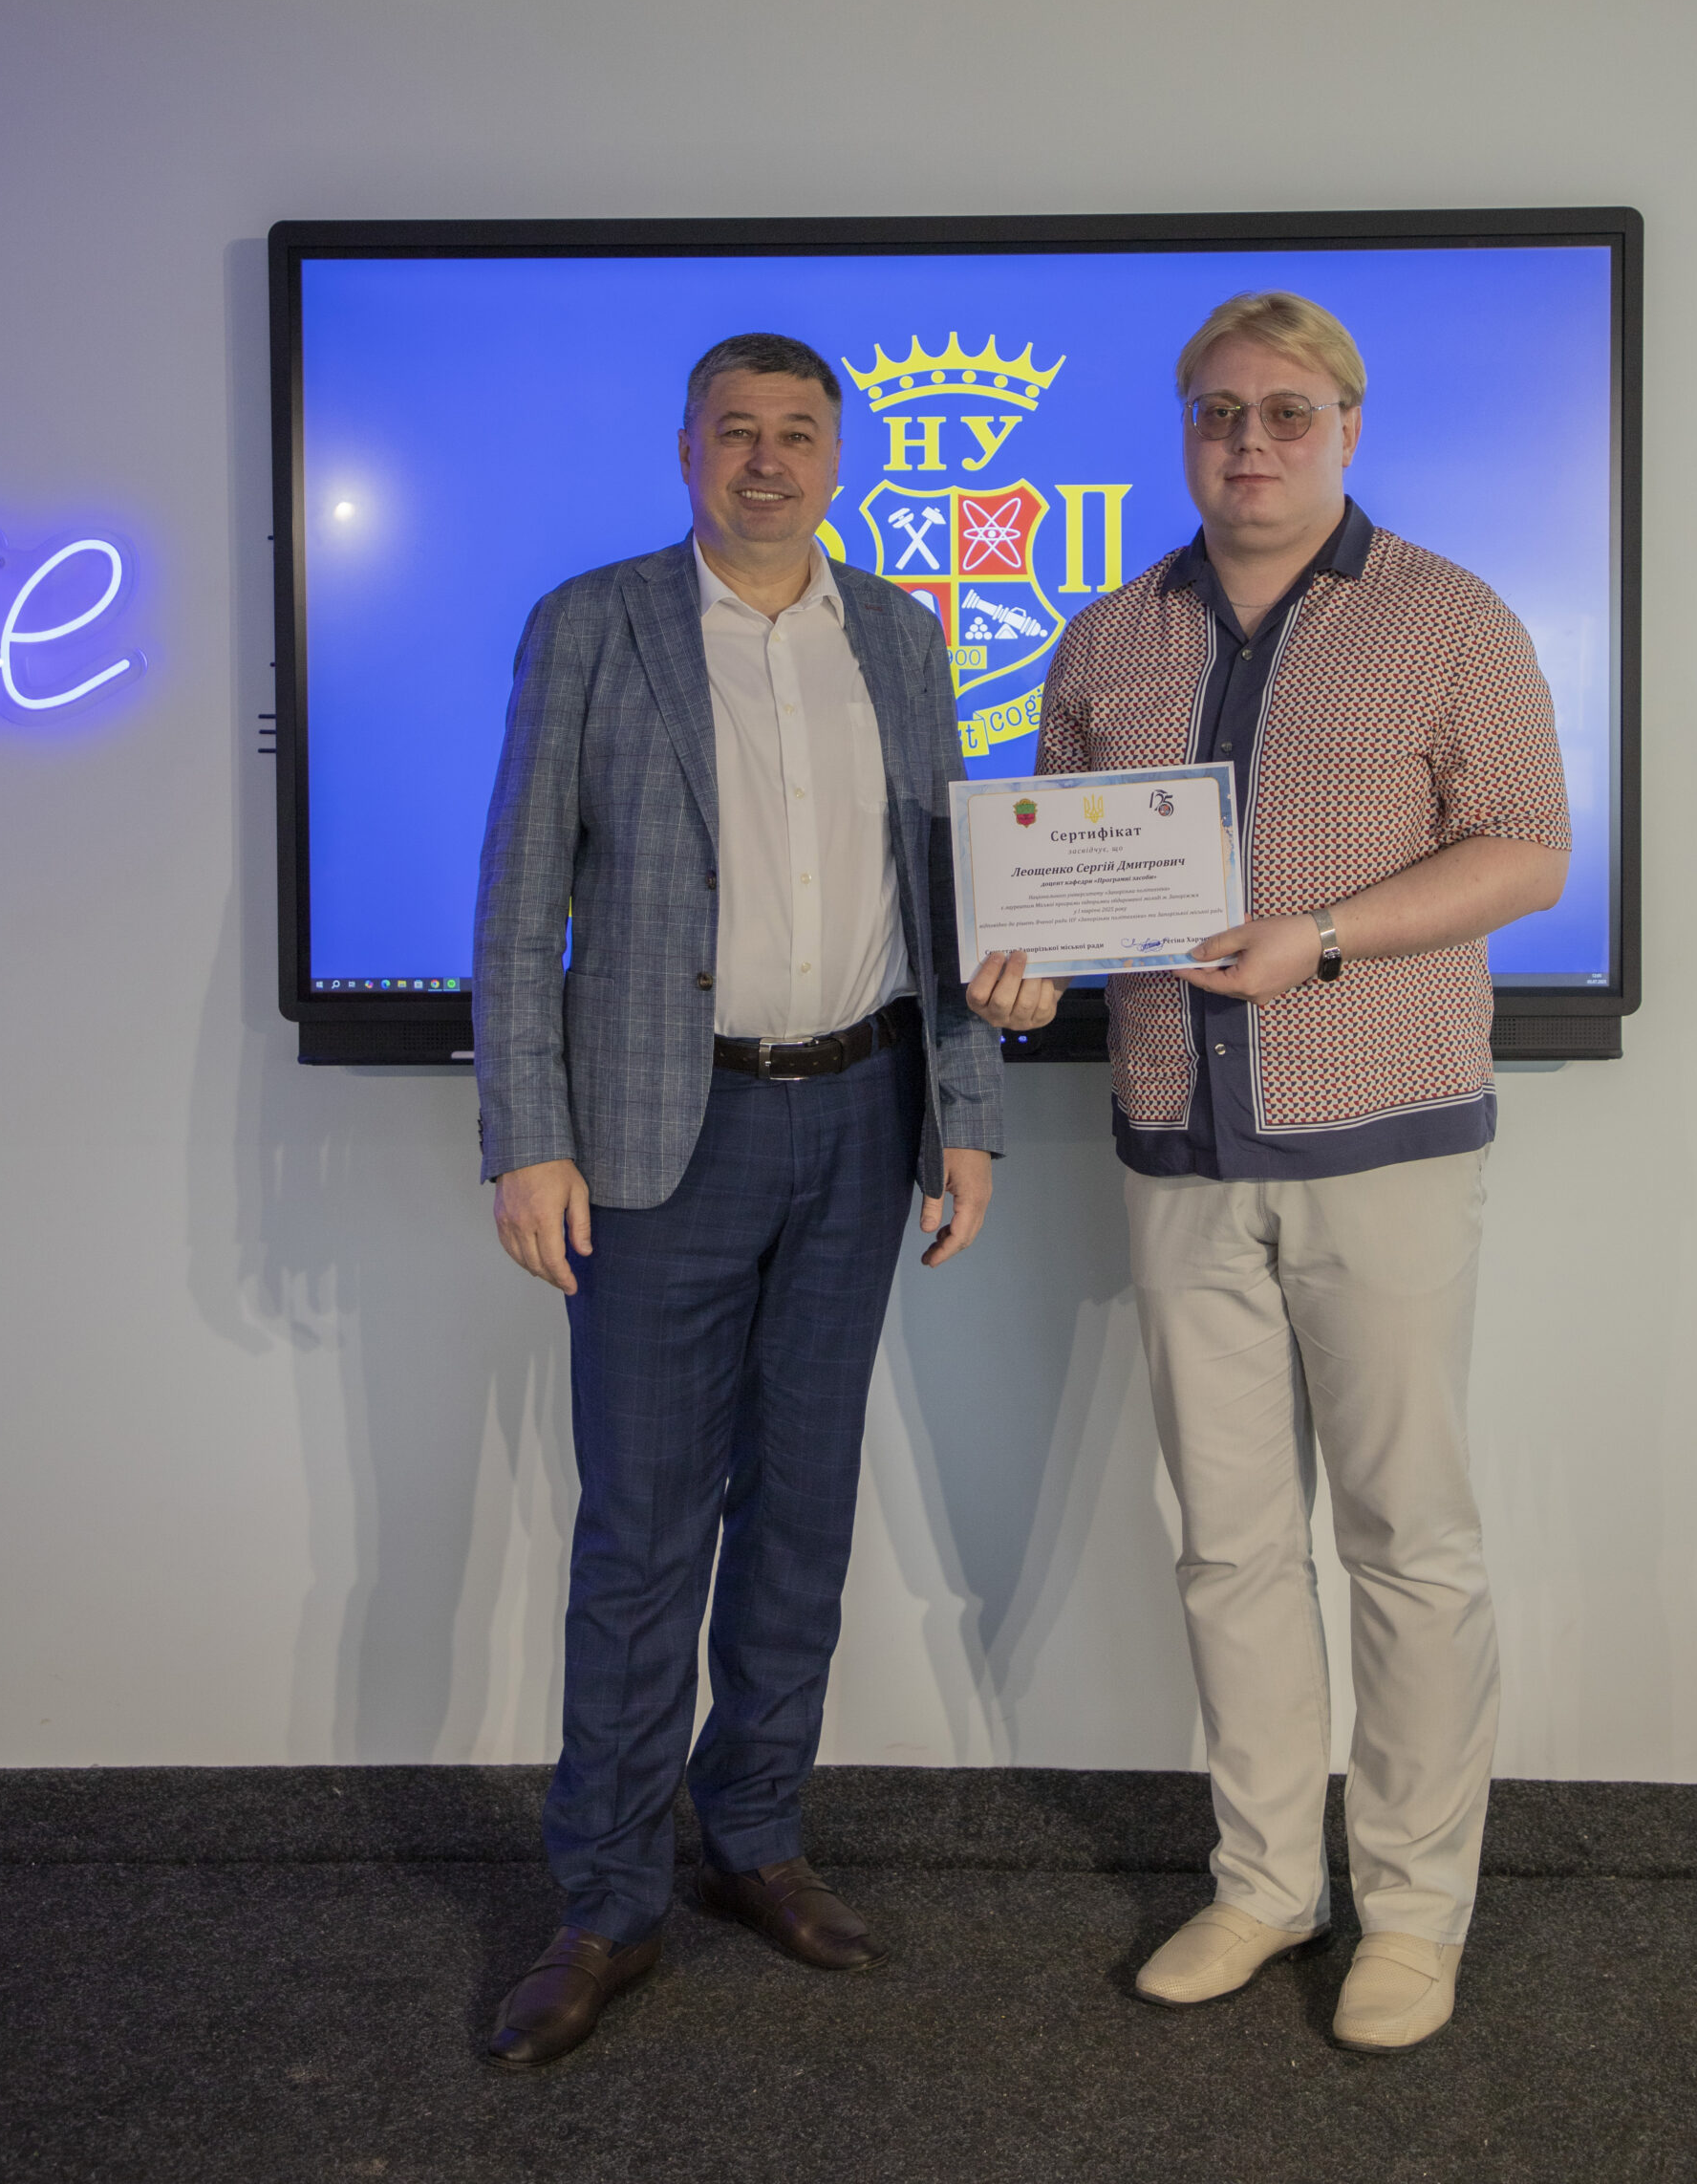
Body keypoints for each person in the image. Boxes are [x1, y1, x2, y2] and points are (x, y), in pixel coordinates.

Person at [972, 291, 1571, 2054]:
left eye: (1287, 413)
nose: (1250, 442)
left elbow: (1529, 852)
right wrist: (1024, 972)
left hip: (1379, 1133)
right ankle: (1262, 1885)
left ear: (1349, 431)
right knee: (1228, 1546)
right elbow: (1059, 885)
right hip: (1177, 1139)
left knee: (1406, 1542)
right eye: (1219, 412)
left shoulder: (1450, 618)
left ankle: (1414, 1913)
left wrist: (1321, 934)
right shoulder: (1108, 637)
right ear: (1185, 432)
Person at [472, 332, 1003, 2071]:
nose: (767, 461)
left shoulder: (901, 637)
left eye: (796, 434)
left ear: (838, 461)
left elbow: (948, 893)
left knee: (802, 1513)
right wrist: (525, 1136)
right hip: (654, 1138)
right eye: (736, 432)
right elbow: (517, 903)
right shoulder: (593, 623)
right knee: (641, 1532)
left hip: (860, 1112)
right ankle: (606, 1898)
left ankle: (755, 1832)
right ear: (686, 447)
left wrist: (967, 1116)